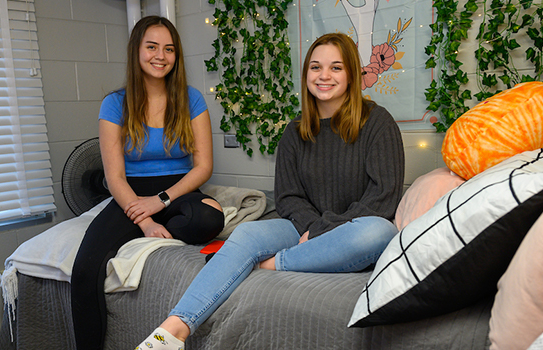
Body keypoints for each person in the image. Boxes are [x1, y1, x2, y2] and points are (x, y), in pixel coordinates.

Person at [135, 32, 405, 349]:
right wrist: (310, 227)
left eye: (336, 67)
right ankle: (173, 329)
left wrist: (320, 229)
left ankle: (271, 264)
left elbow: (383, 198)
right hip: (299, 227)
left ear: (351, 75)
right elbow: (289, 197)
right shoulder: (295, 130)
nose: (324, 76)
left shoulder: (378, 122)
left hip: (349, 230)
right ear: (306, 75)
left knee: (380, 232)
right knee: (247, 235)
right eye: (316, 67)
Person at [71, 16, 225, 350]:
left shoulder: (192, 99)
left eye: (169, 49)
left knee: (211, 217)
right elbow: (114, 177)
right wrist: (145, 221)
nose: (161, 55)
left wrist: (162, 202)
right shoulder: (114, 104)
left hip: (178, 189)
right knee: (84, 270)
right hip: (131, 192)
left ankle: (169, 219)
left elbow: (203, 167)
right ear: (136, 51)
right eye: (152, 47)